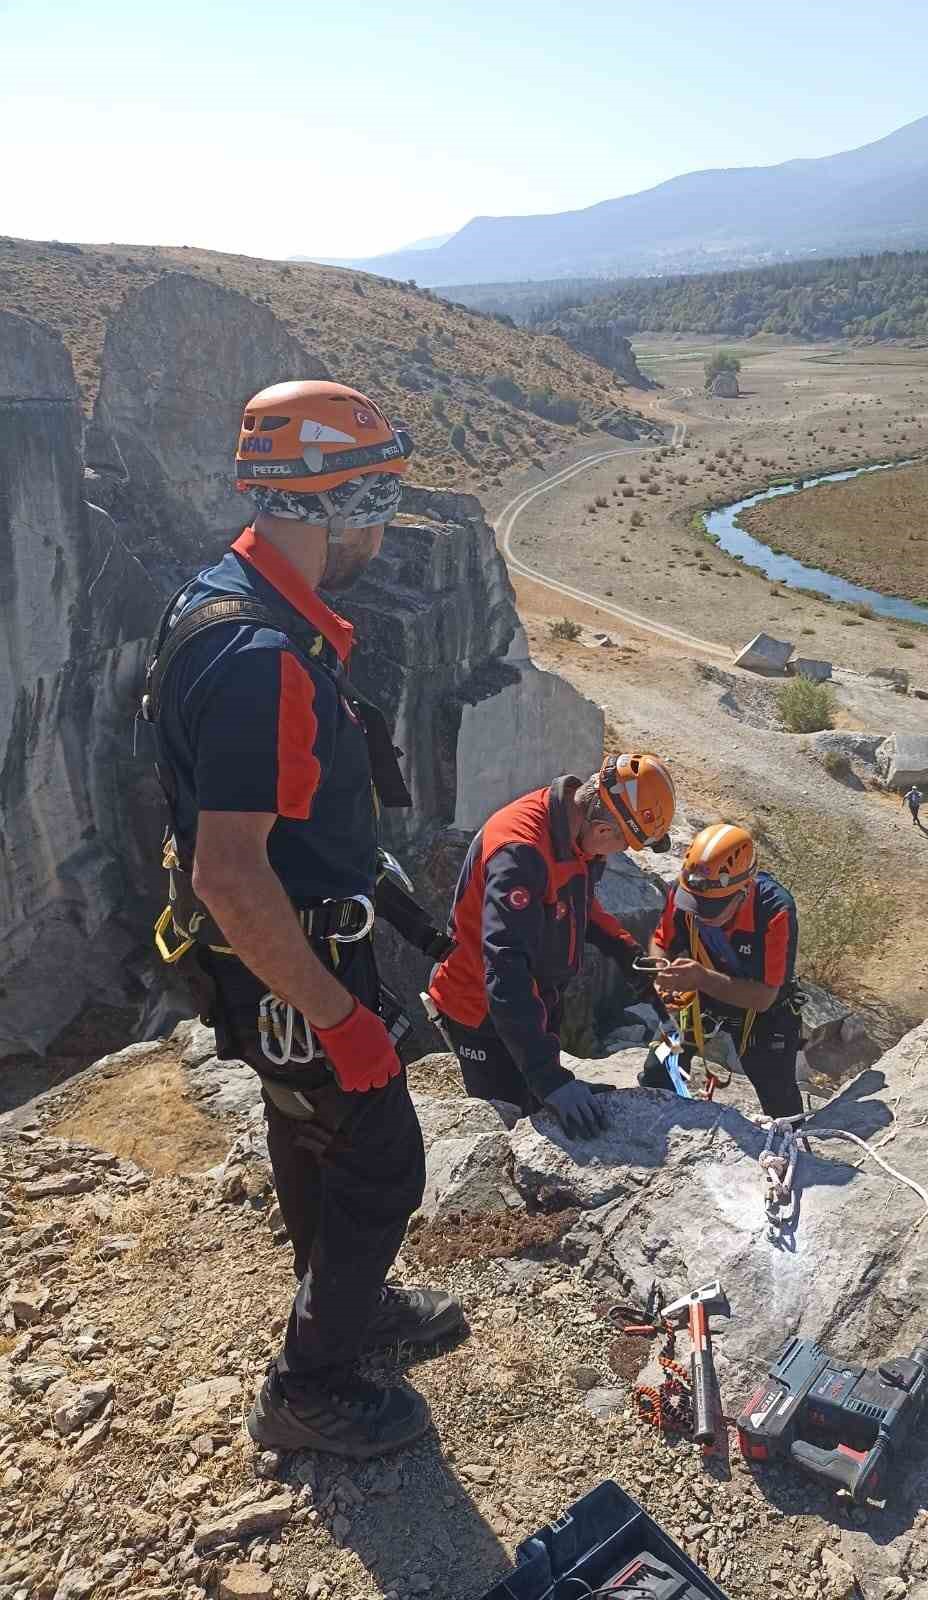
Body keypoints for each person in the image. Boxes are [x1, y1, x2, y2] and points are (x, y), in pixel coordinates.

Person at [145, 379, 463, 1458]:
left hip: (274, 960)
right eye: (374, 502)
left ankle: (344, 1303)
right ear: (333, 500)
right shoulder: (260, 660)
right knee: (381, 1157)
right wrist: (340, 1015)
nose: (380, 530)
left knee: (309, 1131)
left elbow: (290, 822)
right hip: (289, 965)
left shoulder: (231, 600)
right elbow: (233, 872)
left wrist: (409, 926)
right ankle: (307, 1384)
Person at [427, 754, 676, 1136]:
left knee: (540, 1108)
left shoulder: (573, 835)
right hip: (481, 1012)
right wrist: (551, 1080)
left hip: (534, 1003)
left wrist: (641, 970)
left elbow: (583, 908)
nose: (616, 854)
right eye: (624, 844)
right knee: (508, 1126)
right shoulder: (521, 852)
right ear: (604, 830)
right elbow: (505, 973)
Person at [639, 824, 805, 1117]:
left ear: (744, 890)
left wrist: (701, 978)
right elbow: (660, 941)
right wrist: (661, 973)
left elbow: (764, 996)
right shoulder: (685, 889)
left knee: (778, 1095)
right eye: (695, 905)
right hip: (700, 1000)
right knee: (659, 1063)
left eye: (711, 907)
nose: (699, 913)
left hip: (762, 1015)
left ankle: (789, 1146)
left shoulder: (774, 909)